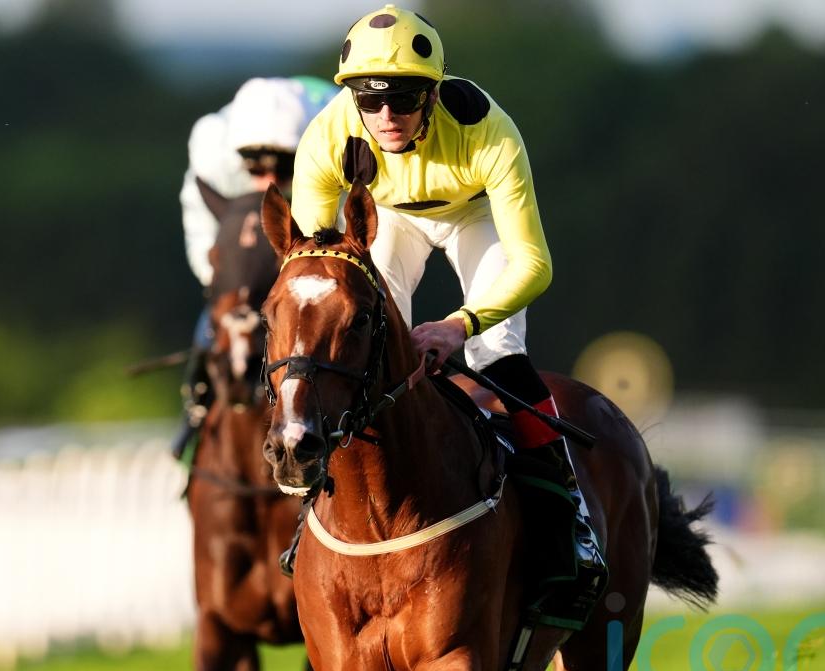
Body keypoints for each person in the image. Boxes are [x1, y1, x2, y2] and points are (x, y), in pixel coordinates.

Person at [289, 4, 606, 630]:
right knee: (357, 352)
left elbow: (534, 264)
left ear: (433, 94)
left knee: (499, 355)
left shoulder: (489, 131)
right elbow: (314, 263)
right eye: (369, 98)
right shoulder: (326, 137)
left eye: (404, 98)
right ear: (351, 97)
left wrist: (460, 324)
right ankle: (313, 511)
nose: (386, 115)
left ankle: (570, 521)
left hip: (474, 214)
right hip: (388, 219)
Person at [172, 76, 338, 461]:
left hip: (306, 254)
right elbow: (201, 227)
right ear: (238, 157)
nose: (269, 181)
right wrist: (225, 288)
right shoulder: (211, 149)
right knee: (211, 328)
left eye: (283, 168)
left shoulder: (337, 133)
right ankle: (194, 419)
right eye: (256, 166)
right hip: (243, 255)